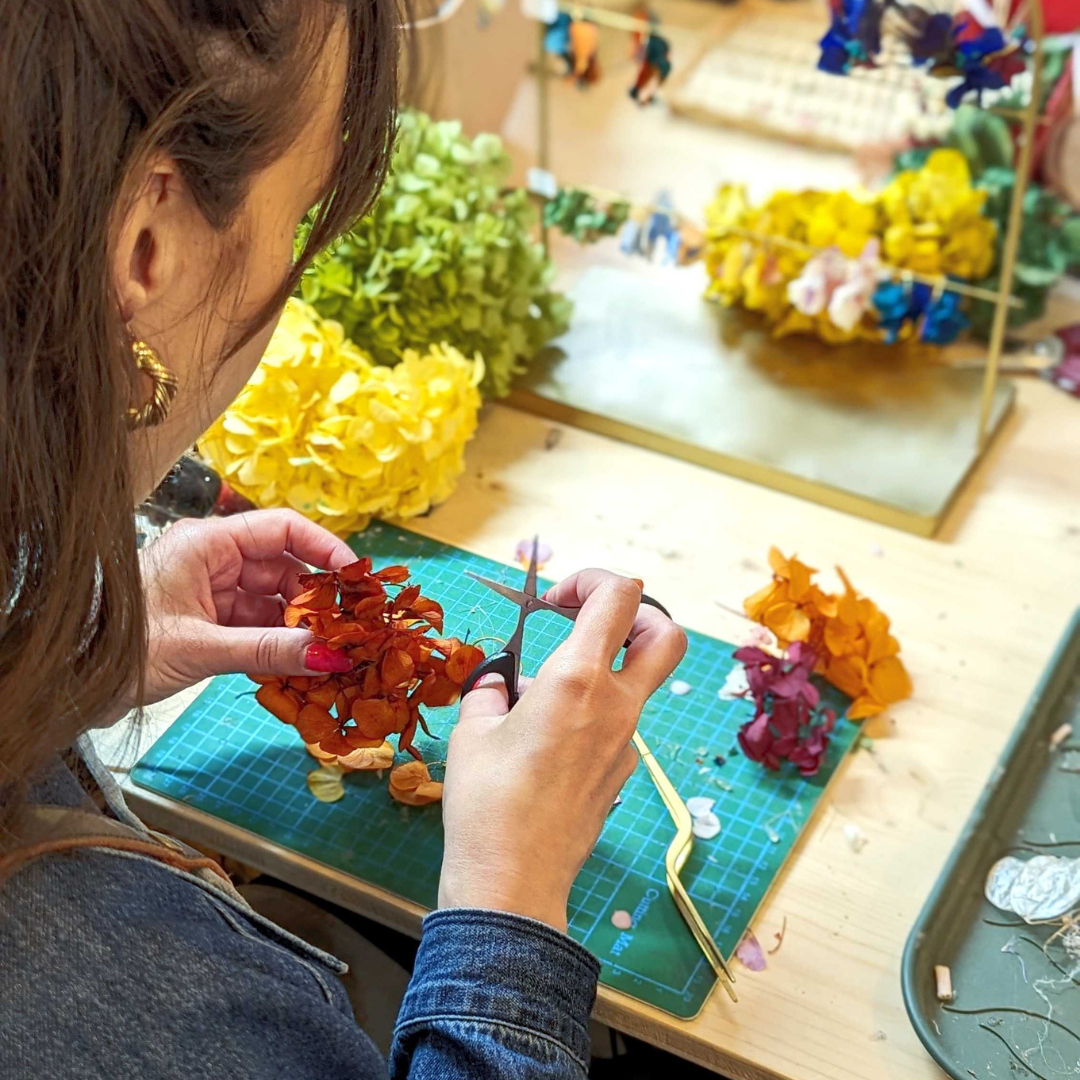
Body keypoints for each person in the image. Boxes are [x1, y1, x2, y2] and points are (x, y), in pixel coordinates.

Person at [0, 4, 688, 1079]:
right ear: (147, 246)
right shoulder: (125, 995)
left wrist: (59, 656)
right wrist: (507, 905)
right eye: (302, 215)